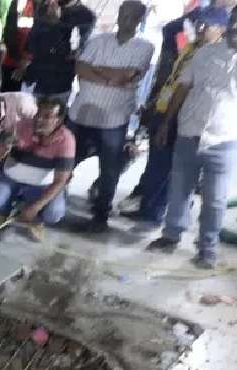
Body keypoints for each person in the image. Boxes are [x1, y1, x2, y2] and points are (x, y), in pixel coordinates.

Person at [146, 8, 237, 270]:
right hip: (188, 132)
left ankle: (207, 249)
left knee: (215, 200)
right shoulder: (205, 53)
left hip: (224, 141)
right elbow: (183, 86)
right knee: (179, 190)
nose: (235, 29)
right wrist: (167, 122)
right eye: (233, 22)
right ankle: (171, 235)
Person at [125, 6, 228, 227]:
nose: (200, 28)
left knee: (171, 171)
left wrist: (170, 119)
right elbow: (173, 77)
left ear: (221, 29)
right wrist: (155, 105)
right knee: (157, 165)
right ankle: (149, 210)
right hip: (164, 109)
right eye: (199, 23)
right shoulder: (191, 47)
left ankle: (157, 214)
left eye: (207, 25)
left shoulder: (215, 57)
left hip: (183, 117)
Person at [68, 0, 153, 231]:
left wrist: (97, 71)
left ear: (140, 20)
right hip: (81, 113)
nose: (125, 19)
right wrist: (112, 78)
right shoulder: (98, 40)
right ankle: (52, 200)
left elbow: (128, 76)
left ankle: (101, 213)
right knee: (66, 160)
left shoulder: (145, 47)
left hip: (113, 119)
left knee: (109, 169)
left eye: (131, 16)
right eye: (123, 13)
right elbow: (80, 69)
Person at [0, 98, 76, 240]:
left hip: (42, 186)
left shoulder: (66, 140)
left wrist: (35, 208)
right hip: (11, 179)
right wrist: (3, 147)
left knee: (54, 214)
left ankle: (36, 219)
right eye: (38, 114)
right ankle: (2, 211)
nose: (39, 119)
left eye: (47, 116)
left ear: (58, 120)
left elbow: (61, 181)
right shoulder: (19, 127)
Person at [21, 0, 94, 99]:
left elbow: (71, 51)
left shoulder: (86, 16)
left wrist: (55, 22)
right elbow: (32, 40)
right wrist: (25, 60)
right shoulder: (45, 8)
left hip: (60, 83)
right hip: (35, 78)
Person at [0, 0, 36, 91]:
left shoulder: (37, 6)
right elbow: (8, 35)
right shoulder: (12, 5)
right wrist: (19, 61)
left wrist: (26, 62)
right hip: (11, 62)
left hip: (29, 65)